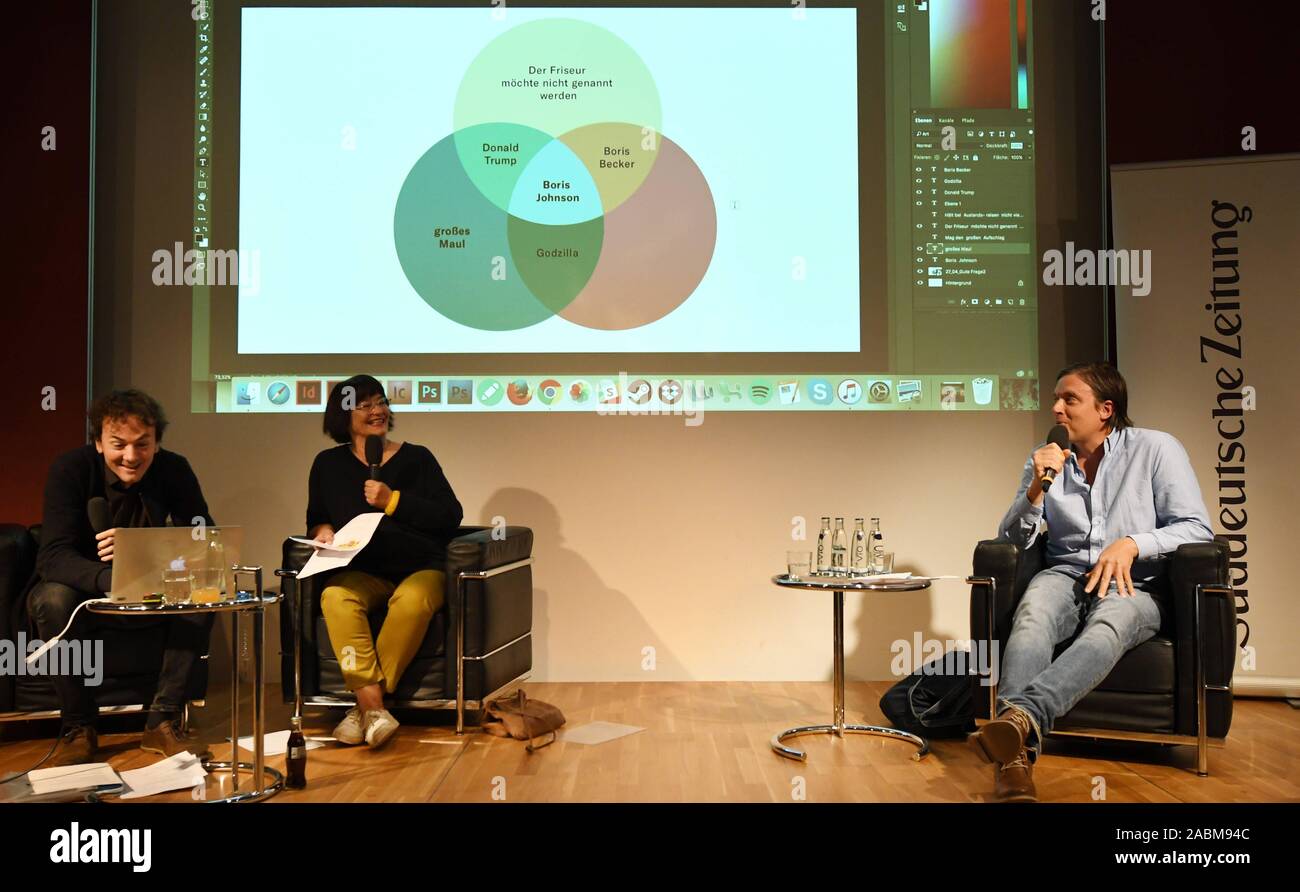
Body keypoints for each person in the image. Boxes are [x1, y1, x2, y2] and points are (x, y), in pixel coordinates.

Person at [969, 362, 1213, 802]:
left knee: (1110, 625)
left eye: (1069, 399)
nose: (1056, 408)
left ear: (1106, 409)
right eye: (1056, 399)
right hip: (1065, 574)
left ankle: (1017, 724)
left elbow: (1197, 528)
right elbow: (1011, 539)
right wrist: (1036, 490)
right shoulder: (1045, 457)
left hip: (1136, 583)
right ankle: (1015, 760)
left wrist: (1133, 543)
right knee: (1032, 616)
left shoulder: (1156, 449)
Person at [29, 389, 216, 766]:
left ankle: (162, 720)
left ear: (156, 444)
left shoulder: (175, 469)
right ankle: (79, 724)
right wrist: (111, 581)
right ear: (99, 443)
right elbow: (53, 556)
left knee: (203, 593)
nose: (131, 457)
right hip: (82, 586)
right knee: (51, 600)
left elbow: (204, 540)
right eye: (118, 445)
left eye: (142, 445)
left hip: (153, 582)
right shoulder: (70, 469)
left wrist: (146, 550)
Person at [306, 375, 463, 748]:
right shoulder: (327, 464)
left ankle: (365, 708)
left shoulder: (418, 458)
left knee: (411, 601)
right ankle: (374, 709)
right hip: (363, 570)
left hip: (421, 567)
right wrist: (323, 531)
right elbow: (318, 515)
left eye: (381, 402)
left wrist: (393, 500)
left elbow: (450, 515)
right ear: (343, 416)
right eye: (365, 405)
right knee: (335, 597)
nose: (377, 411)